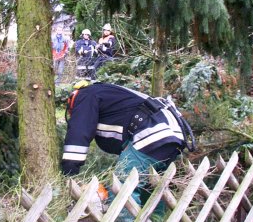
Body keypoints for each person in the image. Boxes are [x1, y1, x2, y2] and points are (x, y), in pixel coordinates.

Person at [62, 81, 195, 209]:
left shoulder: (85, 96)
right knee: (151, 190)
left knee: (123, 187)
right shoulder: (106, 93)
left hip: (152, 133)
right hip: (171, 135)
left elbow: (78, 133)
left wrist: (69, 173)